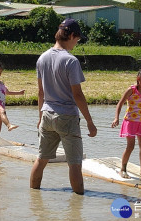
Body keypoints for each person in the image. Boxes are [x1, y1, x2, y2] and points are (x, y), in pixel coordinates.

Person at [30, 18, 97, 195]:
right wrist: (90, 121)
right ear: (72, 35)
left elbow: (40, 93)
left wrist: (39, 118)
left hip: (47, 115)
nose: (77, 42)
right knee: (74, 163)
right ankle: (78, 204)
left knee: (41, 159)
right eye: (77, 39)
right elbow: (78, 95)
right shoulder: (70, 61)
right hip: (67, 116)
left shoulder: (42, 58)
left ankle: (34, 197)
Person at [111, 68, 141, 180]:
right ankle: (123, 169)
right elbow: (120, 104)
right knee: (130, 146)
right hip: (130, 121)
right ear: (139, 79)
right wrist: (116, 118)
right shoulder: (130, 90)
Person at [0, 59, 25, 146]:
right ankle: (9, 125)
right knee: (2, 112)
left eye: (0, 73)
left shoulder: (1, 83)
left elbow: (7, 92)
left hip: (1, 104)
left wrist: (19, 92)